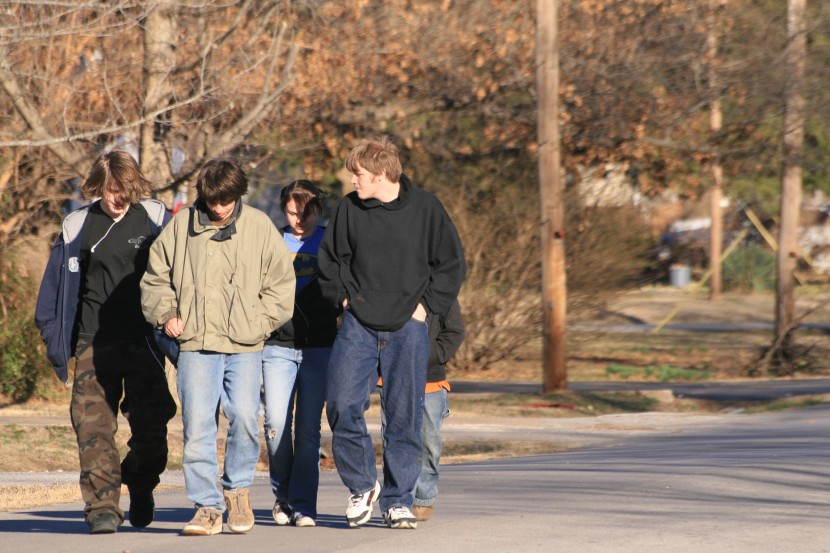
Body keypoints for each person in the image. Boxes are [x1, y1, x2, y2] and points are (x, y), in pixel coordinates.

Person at [140, 158, 295, 536]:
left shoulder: (259, 226)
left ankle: (237, 490)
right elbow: (155, 278)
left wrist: (258, 324)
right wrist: (167, 315)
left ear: (238, 194)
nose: (219, 207)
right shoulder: (181, 227)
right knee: (197, 428)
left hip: (244, 345)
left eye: (226, 200)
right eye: (212, 200)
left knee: (244, 417)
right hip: (195, 345)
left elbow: (281, 284)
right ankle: (206, 507)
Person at [318, 135, 466, 530]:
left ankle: (399, 500)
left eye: (359, 174)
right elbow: (329, 261)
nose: (353, 181)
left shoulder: (426, 208)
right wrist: (345, 301)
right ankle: (363, 486)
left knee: (404, 417)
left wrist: (425, 308)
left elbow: (451, 263)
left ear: (382, 173)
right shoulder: (350, 210)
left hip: (408, 327)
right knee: (341, 404)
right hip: (359, 324)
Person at [34, 150, 177, 534]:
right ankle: (102, 507)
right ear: (98, 187)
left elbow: (182, 273)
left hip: (145, 340)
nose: (118, 198)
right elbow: (52, 293)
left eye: (125, 190)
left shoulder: (155, 219)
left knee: (152, 426)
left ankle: (141, 480)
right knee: (93, 428)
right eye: (112, 190)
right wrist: (54, 338)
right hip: (93, 342)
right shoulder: (77, 226)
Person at [262, 180, 340, 528]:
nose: (299, 218)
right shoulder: (271, 241)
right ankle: (283, 497)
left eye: (306, 211)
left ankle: (304, 505)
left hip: (319, 348)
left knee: (307, 430)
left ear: (317, 209)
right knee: (276, 425)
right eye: (293, 211)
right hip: (277, 347)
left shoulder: (329, 242)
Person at [379, 299, 465, 522]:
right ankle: (398, 499)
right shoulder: (394, 284)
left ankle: (423, 498)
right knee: (395, 440)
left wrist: (427, 355)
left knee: (429, 442)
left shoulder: (441, 289)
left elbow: (454, 331)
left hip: (431, 380)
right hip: (394, 377)